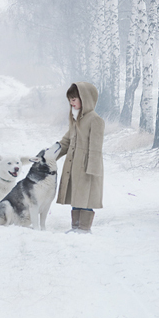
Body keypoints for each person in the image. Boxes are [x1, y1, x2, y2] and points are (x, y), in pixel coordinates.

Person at [54, 82, 105, 232]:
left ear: (85, 99)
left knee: (86, 196)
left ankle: (83, 228)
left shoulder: (95, 120)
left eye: (74, 99)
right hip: (73, 164)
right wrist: (49, 155)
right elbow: (66, 141)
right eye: (70, 99)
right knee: (75, 195)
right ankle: (75, 227)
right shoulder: (75, 119)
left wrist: (92, 170)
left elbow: (96, 148)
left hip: (87, 165)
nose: (71, 102)